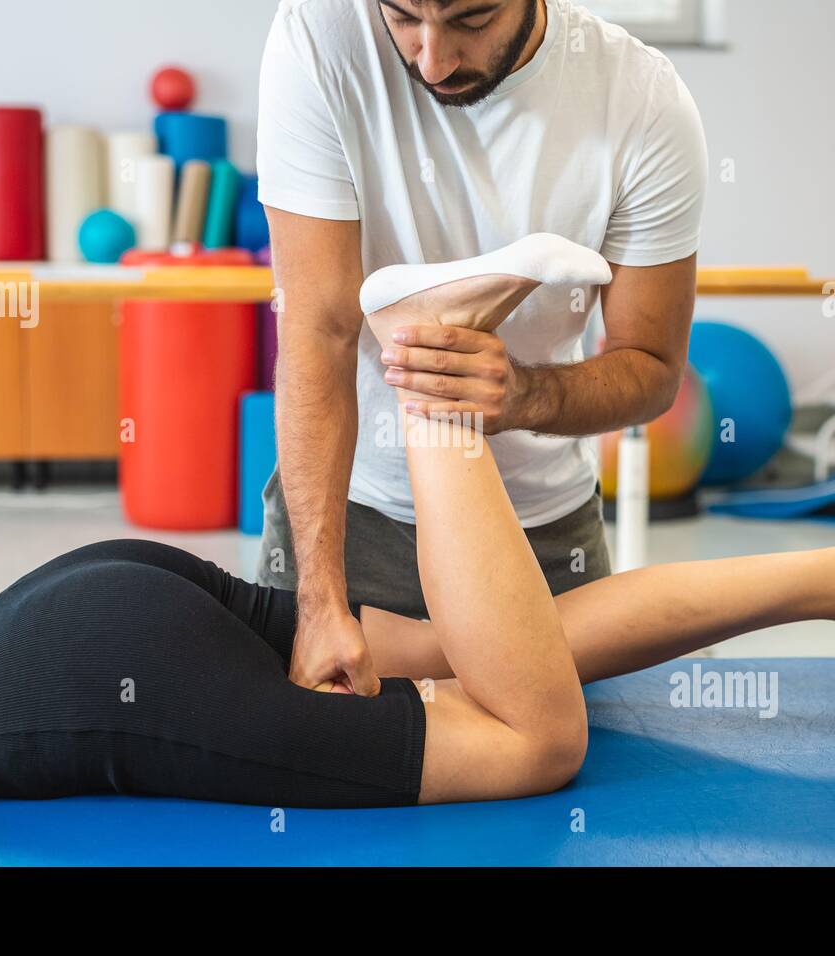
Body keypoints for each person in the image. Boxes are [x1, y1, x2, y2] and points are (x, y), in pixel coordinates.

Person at [0, 245, 835, 809]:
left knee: (533, 743)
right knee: (500, 649)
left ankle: (435, 370)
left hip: (72, 685)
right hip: (64, 611)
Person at [255, 0, 708, 696]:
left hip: (541, 532)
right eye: (403, 17)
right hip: (348, 517)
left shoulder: (642, 102)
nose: (431, 58)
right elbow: (320, 328)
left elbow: (651, 370)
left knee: (558, 774)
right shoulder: (320, 35)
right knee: (320, 779)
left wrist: (531, 394)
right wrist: (320, 599)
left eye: (471, 21)